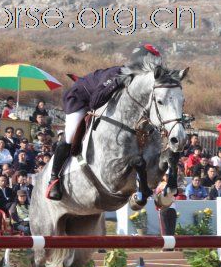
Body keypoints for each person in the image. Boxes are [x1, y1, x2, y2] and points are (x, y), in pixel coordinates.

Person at [47, 43, 163, 200]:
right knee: (70, 135)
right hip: (80, 99)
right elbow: (95, 101)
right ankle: (53, 179)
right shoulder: (118, 74)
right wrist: (117, 83)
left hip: (99, 102)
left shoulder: (137, 80)